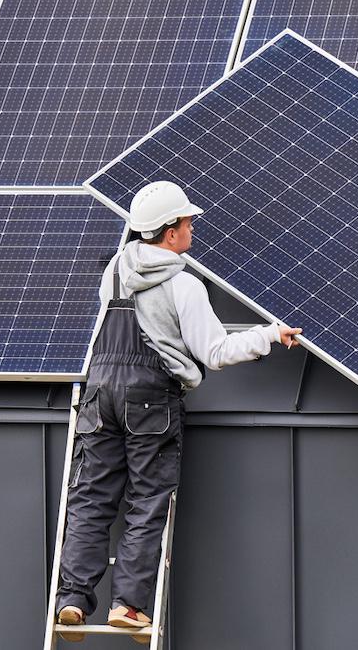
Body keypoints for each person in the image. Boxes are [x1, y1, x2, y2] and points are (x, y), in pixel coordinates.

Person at [55, 181, 301, 642]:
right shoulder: (183, 283)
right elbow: (216, 351)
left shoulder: (115, 269)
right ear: (169, 232)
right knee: (146, 501)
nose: (191, 228)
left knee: (91, 498)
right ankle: (127, 606)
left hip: (98, 392)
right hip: (150, 399)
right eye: (187, 222)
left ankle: (71, 599)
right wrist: (269, 334)